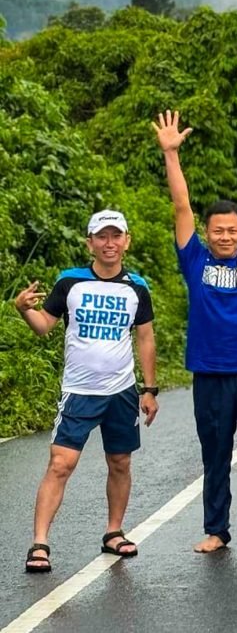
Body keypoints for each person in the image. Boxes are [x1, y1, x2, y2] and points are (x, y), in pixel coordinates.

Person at [153, 108, 237, 552]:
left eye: (233, 230)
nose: (226, 236)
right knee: (214, 455)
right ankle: (216, 530)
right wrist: (171, 155)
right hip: (210, 371)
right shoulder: (195, 261)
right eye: (218, 231)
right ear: (207, 235)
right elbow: (181, 205)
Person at [15, 209, 159, 574]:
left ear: (126, 241)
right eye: (102, 237)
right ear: (90, 243)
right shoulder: (70, 282)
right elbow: (44, 326)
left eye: (116, 236)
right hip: (79, 391)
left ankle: (114, 532)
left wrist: (150, 389)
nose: (109, 243)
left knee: (120, 462)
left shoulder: (136, 287)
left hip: (122, 391)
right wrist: (22, 310)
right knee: (61, 464)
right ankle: (40, 543)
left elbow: (145, 337)